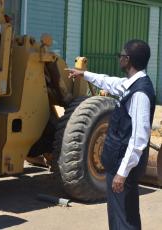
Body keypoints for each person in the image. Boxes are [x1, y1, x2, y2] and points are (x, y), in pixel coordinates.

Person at [67, 39, 155, 230]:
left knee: (125, 220)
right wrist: (84, 74)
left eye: (121, 55)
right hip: (117, 164)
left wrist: (122, 174)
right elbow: (110, 82)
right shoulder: (132, 84)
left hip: (124, 168)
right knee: (118, 218)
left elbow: (139, 139)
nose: (119, 58)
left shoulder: (140, 93)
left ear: (128, 60)